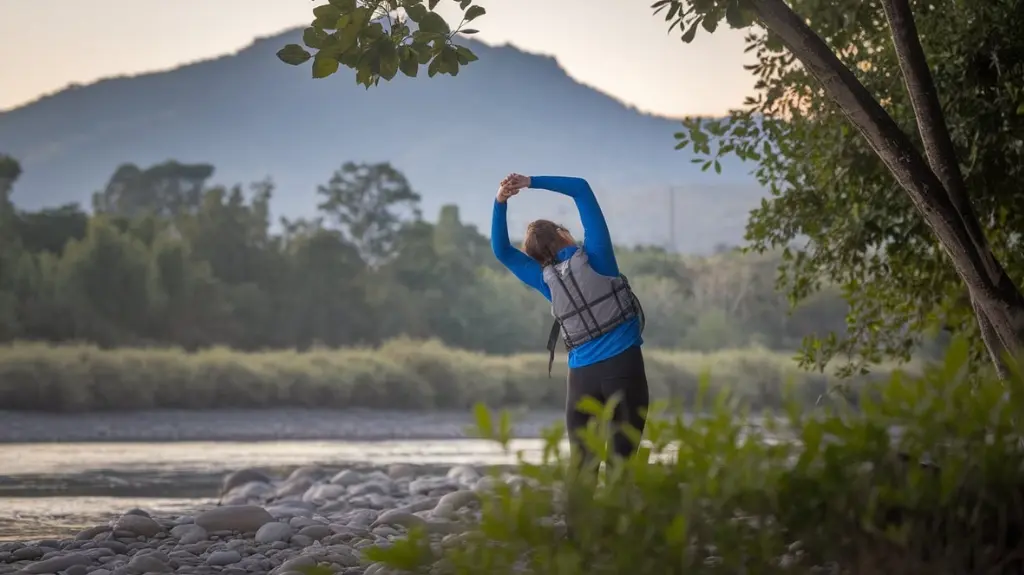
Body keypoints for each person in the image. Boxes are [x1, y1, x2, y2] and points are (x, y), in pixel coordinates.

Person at [490, 173, 650, 472]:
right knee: (622, 465)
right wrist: (529, 181)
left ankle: (578, 520)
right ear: (563, 234)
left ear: (534, 256)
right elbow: (581, 188)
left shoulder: (543, 279)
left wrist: (501, 200)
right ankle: (620, 518)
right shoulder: (598, 256)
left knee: (582, 467)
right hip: (623, 369)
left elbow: (501, 251)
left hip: (581, 380)